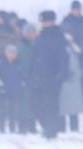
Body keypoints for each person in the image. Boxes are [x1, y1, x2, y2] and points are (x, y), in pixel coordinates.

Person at [30, 10, 70, 139]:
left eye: (46, 21)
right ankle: (46, 126)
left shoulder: (59, 36)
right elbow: (35, 56)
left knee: (51, 104)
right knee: (36, 104)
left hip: (53, 76)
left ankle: (51, 130)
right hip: (39, 76)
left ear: (52, 21)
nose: (44, 23)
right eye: (43, 21)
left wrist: (61, 74)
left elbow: (64, 57)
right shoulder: (40, 37)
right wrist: (32, 73)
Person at [0, 44, 25, 133]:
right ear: (6, 53)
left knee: (13, 110)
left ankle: (12, 128)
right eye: (10, 52)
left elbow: (22, 76)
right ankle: (2, 128)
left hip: (15, 90)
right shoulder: (0, 63)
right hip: (3, 91)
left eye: (13, 52)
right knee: (3, 110)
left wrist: (22, 84)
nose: (11, 54)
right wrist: (1, 85)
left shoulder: (19, 64)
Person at [59, 31, 83, 132]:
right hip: (63, 81)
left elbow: (80, 59)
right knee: (62, 107)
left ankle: (74, 128)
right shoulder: (59, 50)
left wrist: (77, 74)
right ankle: (61, 128)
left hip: (74, 81)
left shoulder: (75, 49)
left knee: (73, 108)